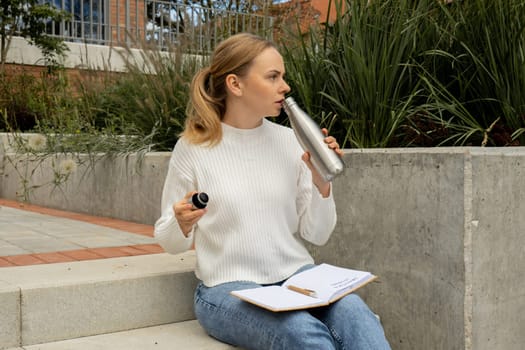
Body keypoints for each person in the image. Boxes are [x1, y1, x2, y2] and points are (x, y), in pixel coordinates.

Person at [154, 32, 391, 350]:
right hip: (226, 288)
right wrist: (180, 221)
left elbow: (317, 234)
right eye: (273, 77)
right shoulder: (194, 147)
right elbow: (168, 240)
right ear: (235, 85)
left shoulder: (290, 140)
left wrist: (322, 183)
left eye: (284, 76)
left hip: (297, 276)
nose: (285, 86)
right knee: (302, 333)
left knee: (359, 317)